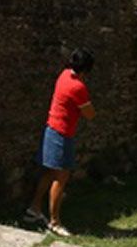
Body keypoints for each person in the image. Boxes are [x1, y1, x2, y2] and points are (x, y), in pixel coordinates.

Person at [25, 49, 96, 236]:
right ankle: (54, 222)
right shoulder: (78, 87)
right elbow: (90, 114)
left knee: (49, 172)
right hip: (62, 134)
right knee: (61, 177)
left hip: (51, 129)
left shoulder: (64, 75)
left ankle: (35, 208)